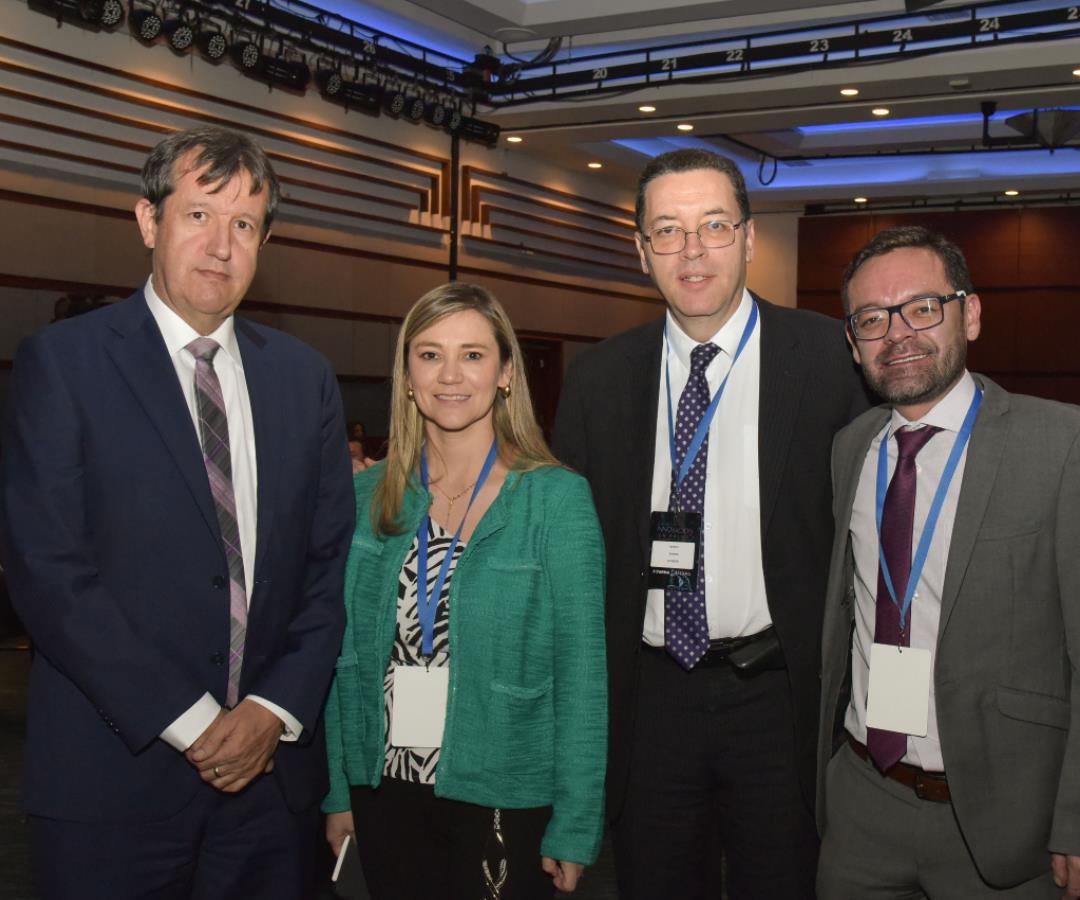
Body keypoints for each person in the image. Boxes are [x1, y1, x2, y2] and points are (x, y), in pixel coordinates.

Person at [0, 126, 355, 899]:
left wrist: (273, 708)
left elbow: (330, 570)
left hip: (271, 787)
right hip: (112, 781)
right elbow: (48, 572)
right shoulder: (63, 364)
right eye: (199, 215)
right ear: (148, 221)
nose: (221, 245)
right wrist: (191, 721)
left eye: (245, 224)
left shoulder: (305, 380)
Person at [551, 148, 870, 899]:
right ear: (641, 251)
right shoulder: (600, 378)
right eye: (668, 230)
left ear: (750, 239)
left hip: (780, 699)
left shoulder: (829, 358)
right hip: (650, 699)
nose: (692, 251)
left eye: (714, 226)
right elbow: (570, 553)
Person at [816, 225, 1080, 898]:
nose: (897, 332)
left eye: (922, 307)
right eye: (873, 318)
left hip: (1003, 818)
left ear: (971, 312)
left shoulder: (1060, 445)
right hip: (862, 804)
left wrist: (1075, 819)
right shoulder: (852, 447)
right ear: (853, 342)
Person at [323, 282, 607, 899]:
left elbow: (583, 677)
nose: (451, 374)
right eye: (429, 355)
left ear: (506, 373)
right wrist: (339, 790)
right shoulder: (365, 499)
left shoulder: (556, 500)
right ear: (405, 376)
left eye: (473, 355)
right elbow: (343, 660)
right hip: (384, 789)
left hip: (504, 790)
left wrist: (577, 823)